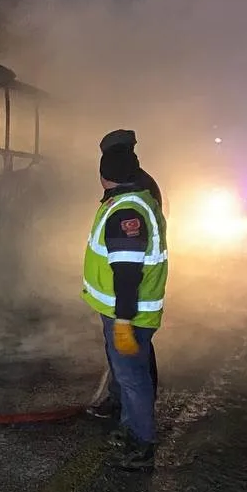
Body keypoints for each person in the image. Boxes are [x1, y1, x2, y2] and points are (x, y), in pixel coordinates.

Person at [81, 143, 168, 471]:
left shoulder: (125, 212)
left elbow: (128, 273)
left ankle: (140, 443)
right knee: (132, 371)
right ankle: (128, 420)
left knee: (133, 377)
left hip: (129, 311)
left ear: (105, 176)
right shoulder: (139, 199)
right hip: (132, 310)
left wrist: (122, 319)